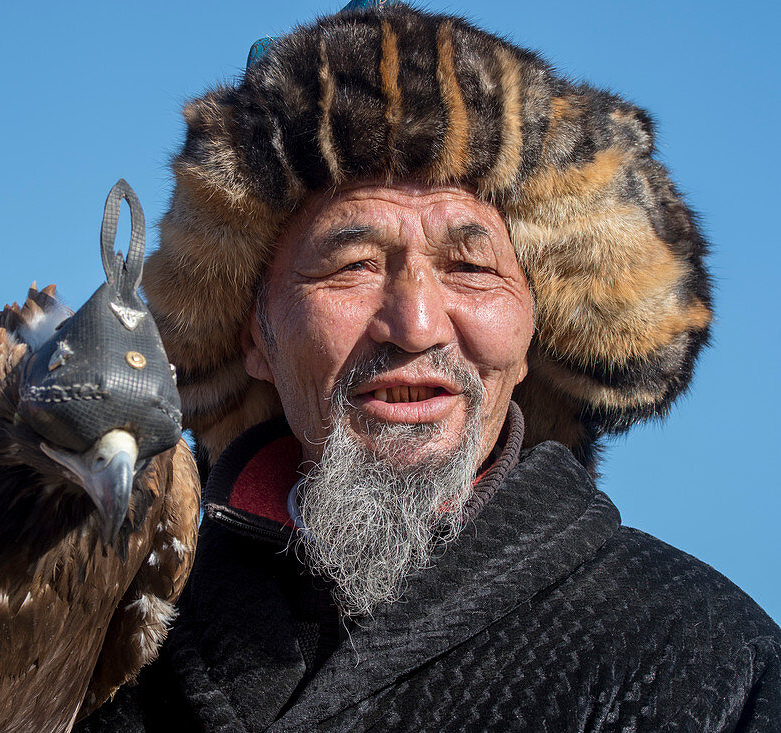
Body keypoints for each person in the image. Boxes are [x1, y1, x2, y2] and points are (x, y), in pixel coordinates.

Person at [80, 1, 781, 729]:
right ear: (253, 333)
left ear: (534, 328)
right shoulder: (104, 641)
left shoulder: (709, 665)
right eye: (350, 265)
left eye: (472, 267)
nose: (415, 325)